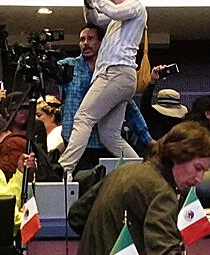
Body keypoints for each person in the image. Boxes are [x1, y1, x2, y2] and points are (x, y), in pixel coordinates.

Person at [66, 123, 210, 255]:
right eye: (197, 168)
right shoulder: (162, 193)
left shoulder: (123, 172)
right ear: (176, 155)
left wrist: (106, 243)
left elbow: (77, 215)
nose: (199, 178)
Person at [57, 0, 147, 173]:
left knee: (83, 118)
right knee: (109, 135)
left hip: (115, 73)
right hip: (121, 77)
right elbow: (94, 20)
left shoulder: (136, 5)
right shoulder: (118, 19)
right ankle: (142, 171)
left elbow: (113, 10)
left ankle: (64, 169)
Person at [56, 27, 152, 168]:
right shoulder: (68, 66)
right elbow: (50, 71)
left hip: (104, 146)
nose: (85, 43)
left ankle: (141, 172)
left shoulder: (113, 71)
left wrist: (147, 139)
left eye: (90, 38)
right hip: (76, 146)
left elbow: (130, 108)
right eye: (82, 39)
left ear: (101, 43)